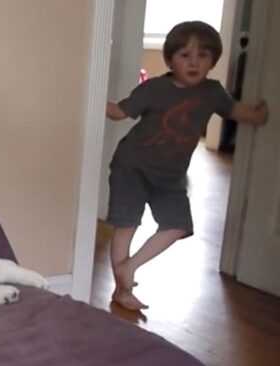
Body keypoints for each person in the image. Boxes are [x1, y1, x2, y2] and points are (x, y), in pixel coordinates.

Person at [105, 21, 269, 311]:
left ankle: (129, 267)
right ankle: (123, 290)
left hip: (171, 176)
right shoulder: (155, 88)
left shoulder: (213, 92)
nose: (194, 62)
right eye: (185, 55)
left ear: (213, 60)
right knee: (126, 223)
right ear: (170, 59)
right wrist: (91, 97)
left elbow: (235, 110)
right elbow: (120, 112)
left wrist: (259, 115)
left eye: (203, 56)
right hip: (132, 166)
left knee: (177, 225)